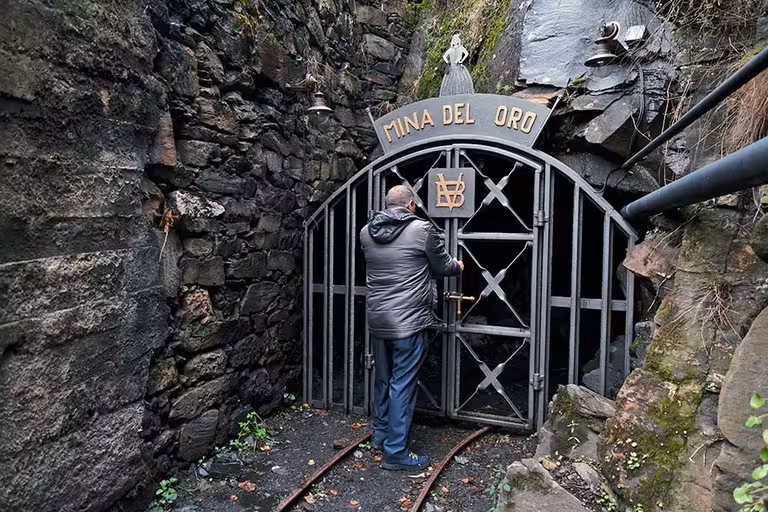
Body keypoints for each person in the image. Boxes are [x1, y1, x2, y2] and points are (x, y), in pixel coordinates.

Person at [360, 185, 463, 470]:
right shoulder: (422, 230)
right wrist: (459, 266)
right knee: (402, 385)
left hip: (378, 319)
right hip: (408, 322)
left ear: (386, 205)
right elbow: (442, 265)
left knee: (383, 379)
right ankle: (396, 453)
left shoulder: (366, 232)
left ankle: (380, 435)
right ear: (411, 206)